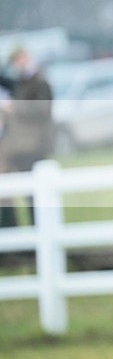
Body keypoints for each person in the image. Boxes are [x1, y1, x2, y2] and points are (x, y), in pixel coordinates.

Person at [0, 47, 54, 226]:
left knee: (34, 196)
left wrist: (15, 107)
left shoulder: (40, 83)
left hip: (33, 146)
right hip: (18, 147)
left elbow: (42, 110)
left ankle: (40, 230)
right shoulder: (21, 82)